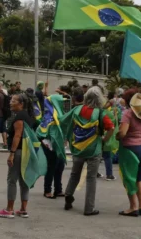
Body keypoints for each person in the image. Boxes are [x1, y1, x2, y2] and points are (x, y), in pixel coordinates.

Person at [61, 87, 115, 216]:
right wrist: (103, 140)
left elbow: (64, 120)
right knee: (91, 179)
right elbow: (111, 128)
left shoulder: (77, 109)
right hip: (94, 149)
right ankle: (88, 208)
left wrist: (70, 136)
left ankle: (68, 196)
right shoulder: (100, 113)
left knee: (75, 174)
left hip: (78, 147)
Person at [0, 93, 36, 219]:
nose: (10, 102)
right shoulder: (27, 115)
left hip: (18, 152)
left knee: (12, 180)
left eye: (13, 101)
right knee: (24, 181)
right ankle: (23, 209)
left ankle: (9, 209)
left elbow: (17, 135)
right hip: (26, 152)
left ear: (21, 104)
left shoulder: (19, 117)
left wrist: (11, 154)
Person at [117, 90, 141, 217]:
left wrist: (117, 136)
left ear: (127, 101)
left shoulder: (127, 113)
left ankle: (133, 207)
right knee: (140, 178)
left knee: (129, 178)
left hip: (130, 148)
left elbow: (122, 133)